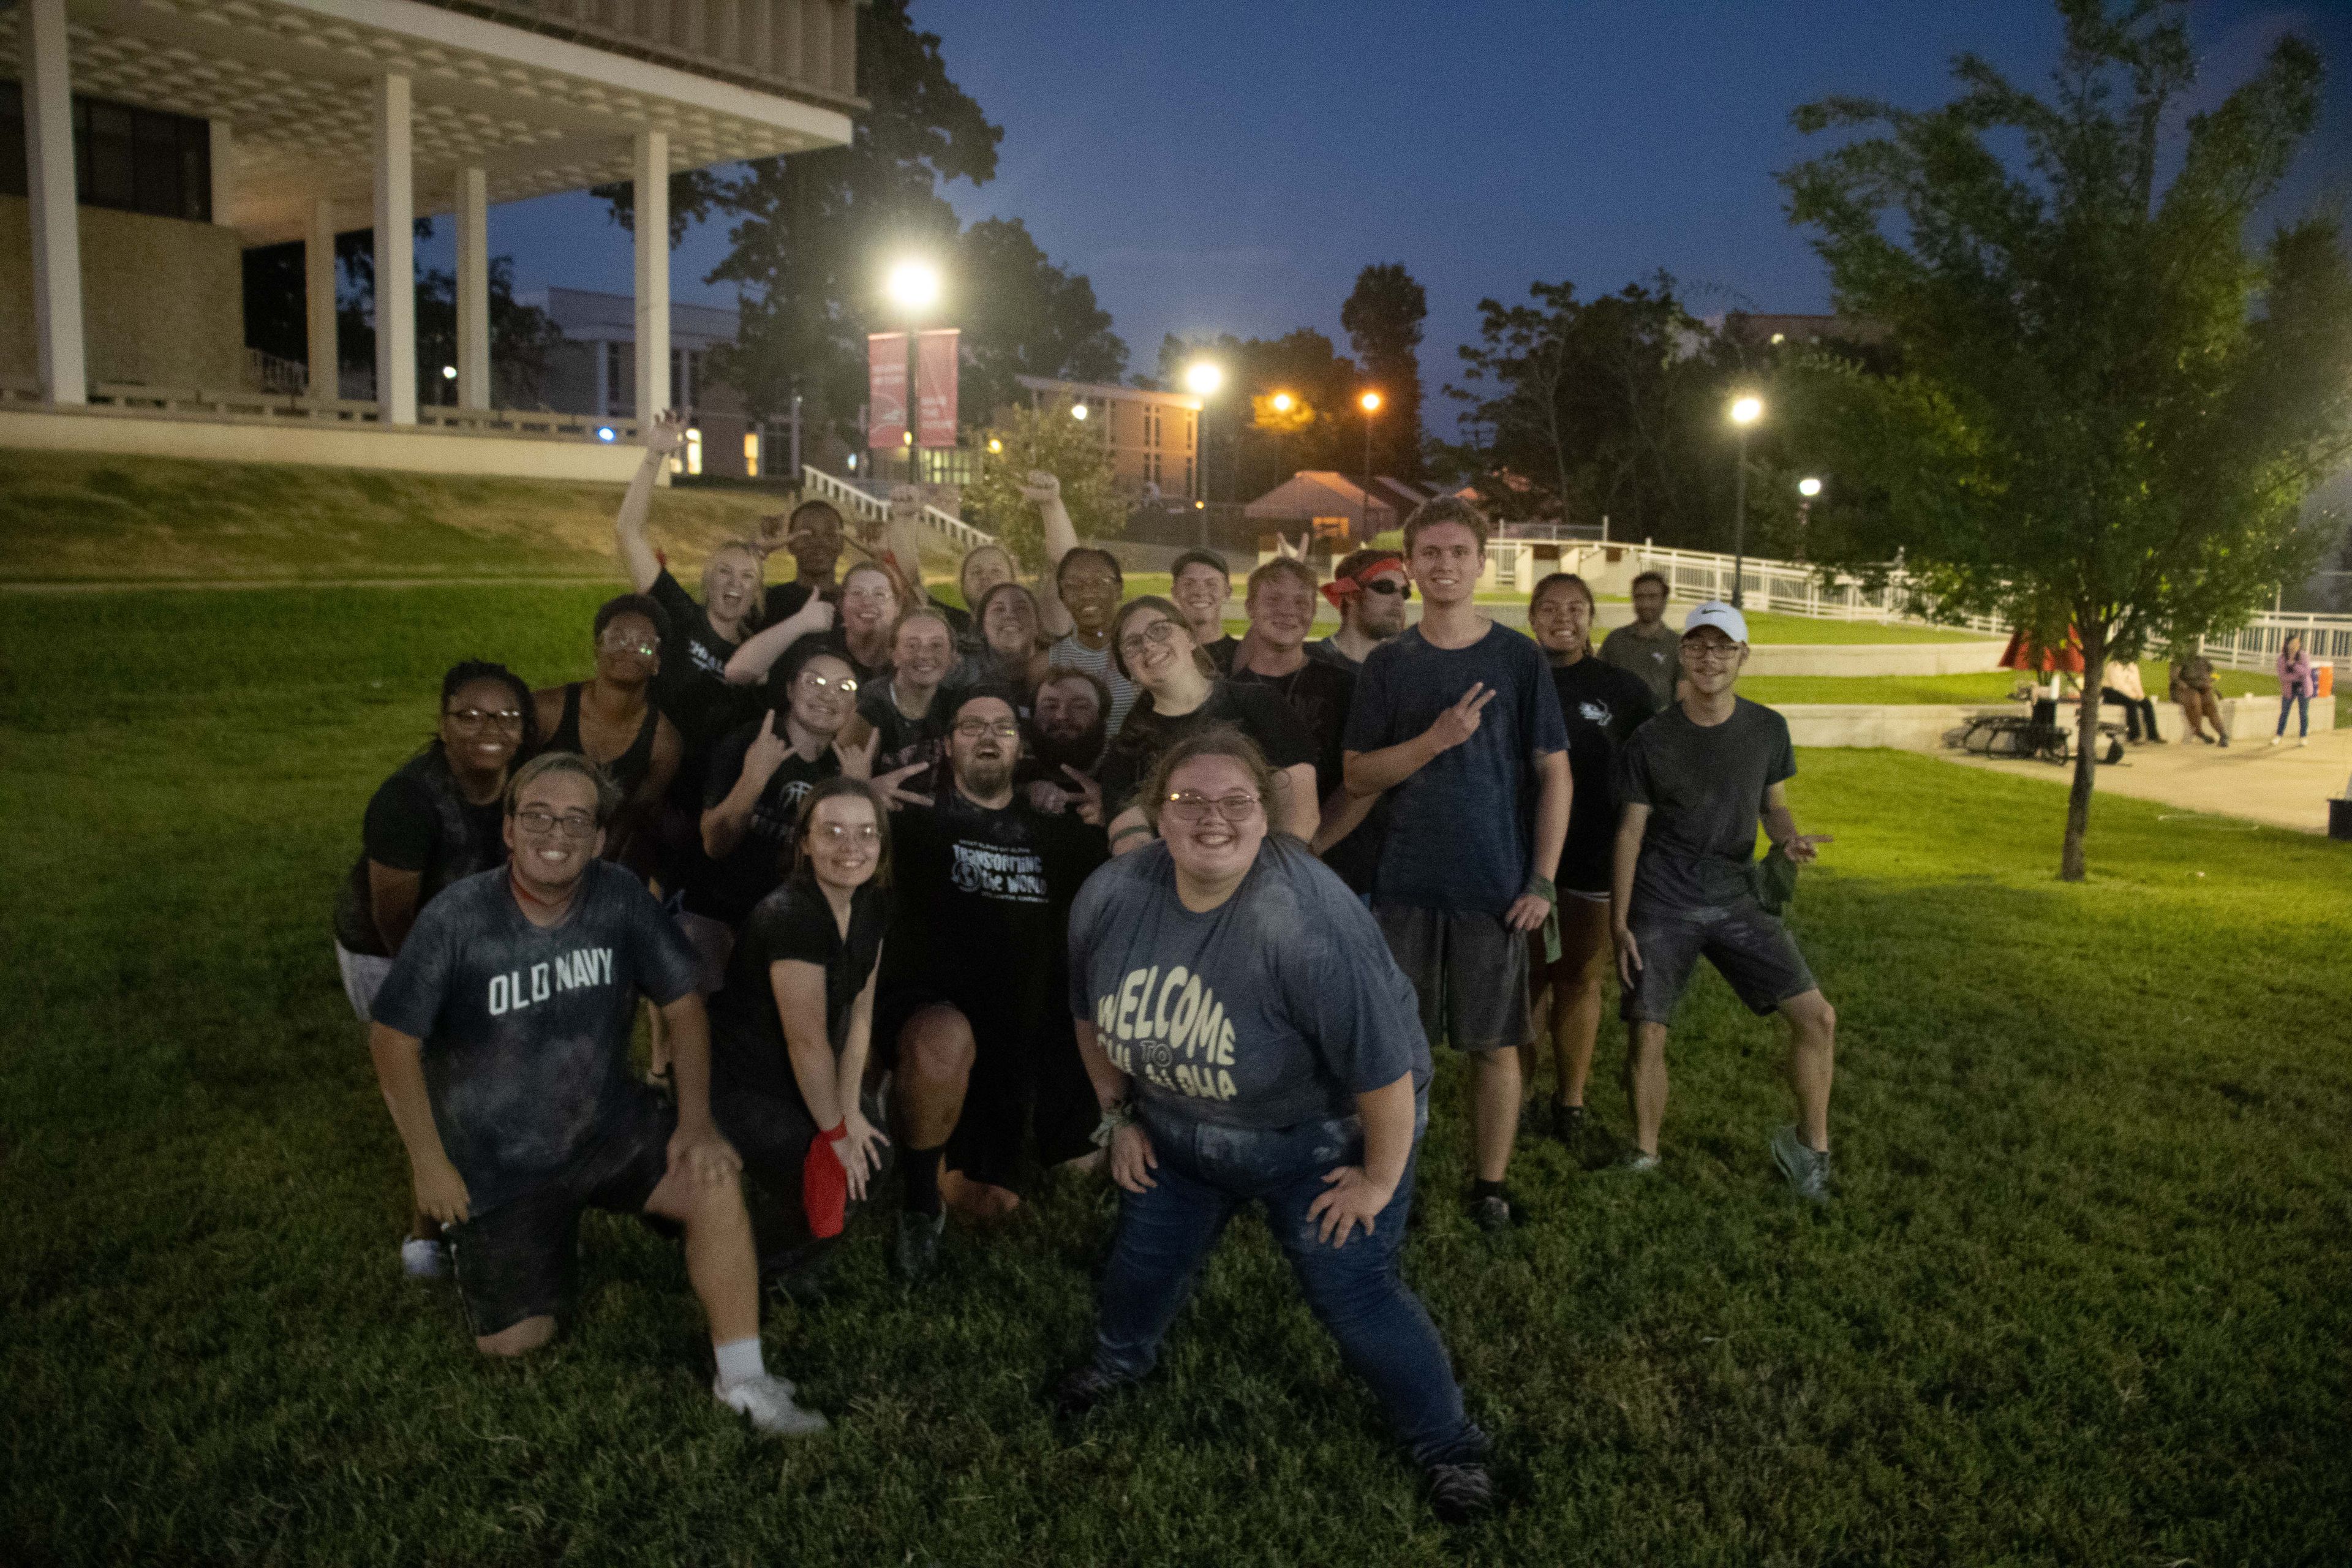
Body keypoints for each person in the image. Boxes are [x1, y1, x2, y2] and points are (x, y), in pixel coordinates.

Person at [1055, 731, 1492, 1523]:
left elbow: (1386, 1074)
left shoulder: (1306, 921)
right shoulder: (1113, 897)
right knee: (1143, 1262)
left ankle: (1450, 1446)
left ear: (1268, 816)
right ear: (1157, 814)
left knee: (1353, 1293)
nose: (1211, 819)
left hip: (1320, 1141)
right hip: (1182, 1131)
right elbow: (1091, 1016)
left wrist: (1379, 1180)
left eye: (1235, 801)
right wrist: (1117, 1118)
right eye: (1189, 801)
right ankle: (1119, 1363)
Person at [364, 752, 824, 1436]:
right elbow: (392, 1039)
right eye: (540, 816)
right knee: (516, 1345)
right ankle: (514, 1239)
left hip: (607, 1126)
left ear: (600, 837)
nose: (558, 833)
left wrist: (696, 1120)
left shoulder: (618, 895)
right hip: (500, 1160)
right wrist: (429, 1162)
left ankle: (745, 1378)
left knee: (714, 1177)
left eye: (577, 820)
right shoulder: (458, 916)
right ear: (511, 830)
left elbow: (684, 1005)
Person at [1343, 496, 1570, 1233]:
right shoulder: (1388, 664)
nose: (1444, 565)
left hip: (1492, 887)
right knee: (1394, 1054)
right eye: (1430, 554)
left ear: (1480, 563)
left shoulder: (1517, 658)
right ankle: (1392, 1180)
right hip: (1401, 885)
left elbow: (1554, 774)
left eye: (1458, 553)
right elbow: (1357, 776)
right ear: (1409, 566)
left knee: (1495, 1044)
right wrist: (1434, 741)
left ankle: (1490, 1184)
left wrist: (1541, 879)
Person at [1609, 600, 1839, 1202]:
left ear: (1744, 656)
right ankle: (1645, 1152)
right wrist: (1619, 921)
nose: (1710, 658)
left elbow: (1773, 803)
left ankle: (1810, 1150)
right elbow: (1629, 833)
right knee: (1647, 1029)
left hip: (1737, 893)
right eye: (1699, 646)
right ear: (1683, 654)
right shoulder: (1651, 739)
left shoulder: (1767, 728)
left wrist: (1787, 836)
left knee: (1818, 1017)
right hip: (1663, 895)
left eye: (1723, 647)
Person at [877, 688, 1109, 1276]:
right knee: (942, 1043)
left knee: (993, 1205)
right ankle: (917, 1204)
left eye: (1003, 728)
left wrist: (1105, 814)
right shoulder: (914, 821)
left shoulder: (1056, 828)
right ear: (948, 745)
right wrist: (864, 800)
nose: (987, 736)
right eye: (972, 726)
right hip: (935, 1008)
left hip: (1019, 1026)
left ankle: (926, 1127)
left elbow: (1129, 876)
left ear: (1019, 748)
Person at [334, 660, 540, 1278]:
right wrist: (445, 996)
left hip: (474, 944)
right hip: (388, 948)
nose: (488, 728)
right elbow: (393, 916)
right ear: (443, 723)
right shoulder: (406, 801)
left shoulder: (524, 785)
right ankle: (426, 1234)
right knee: (434, 1085)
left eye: (505, 716)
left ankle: (480, 1205)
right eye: (469, 715)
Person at [706, 778, 894, 1298]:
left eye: (866, 833)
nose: (851, 847)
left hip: (802, 1075)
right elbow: (806, 1042)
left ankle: (785, 1266)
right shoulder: (790, 917)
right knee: (827, 1162)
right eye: (831, 832)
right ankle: (739, 1266)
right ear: (805, 843)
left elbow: (860, 1014)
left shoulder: (872, 905)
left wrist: (852, 1112)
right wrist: (835, 1134)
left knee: (871, 1154)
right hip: (741, 1082)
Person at [1518, 571, 1657, 1153]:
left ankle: (1569, 1099)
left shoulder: (1624, 691)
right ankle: (1515, 1095)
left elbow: (1648, 781)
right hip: (1517, 858)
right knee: (1523, 982)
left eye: (1575, 608)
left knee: (1577, 977)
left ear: (1591, 617)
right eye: (1549, 608)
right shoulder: (1510, 680)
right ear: (1532, 618)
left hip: (1594, 859)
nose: (1562, 618)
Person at [1096, 595, 1320, 851]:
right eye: (1133, 644)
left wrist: (1257, 881)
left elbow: (1300, 817)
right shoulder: (1127, 749)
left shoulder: (1260, 703)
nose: (1148, 644)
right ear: (1128, 671)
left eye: (1159, 630)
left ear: (1190, 638)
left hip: (1273, 874)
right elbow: (1130, 842)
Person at [688, 652, 861, 984]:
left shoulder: (840, 771)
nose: (828, 694)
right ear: (790, 690)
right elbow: (715, 843)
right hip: (715, 911)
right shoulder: (750, 741)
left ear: (854, 708)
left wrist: (856, 796)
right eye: (815, 681)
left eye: (845, 687)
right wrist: (753, 780)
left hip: (785, 924)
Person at [1228, 556, 1379, 867]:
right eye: (1274, 599)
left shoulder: (1348, 687)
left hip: (1334, 861)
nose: (1288, 611)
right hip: (1247, 860)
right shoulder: (1227, 694)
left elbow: (1366, 782)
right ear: (1249, 607)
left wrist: (1314, 844)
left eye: (1301, 601)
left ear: (1313, 611)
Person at [532, 594, 684, 869]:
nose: (629, 649)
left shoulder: (664, 745)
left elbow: (626, 822)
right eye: (618, 639)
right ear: (597, 649)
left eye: (644, 645)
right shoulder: (547, 711)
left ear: (657, 663)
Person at [1025, 470, 1139, 736]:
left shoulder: (1143, 656)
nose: (1088, 594)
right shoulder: (1044, 666)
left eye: (1099, 583)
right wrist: (1050, 505)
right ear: (1063, 598)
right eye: (1074, 586)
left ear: (1119, 590)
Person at [727, 560, 900, 692]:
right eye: (857, 593)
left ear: (898, 607)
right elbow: (736, 673)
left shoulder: (909, 654)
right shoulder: (815, 648)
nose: (868, 602)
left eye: (880, 595)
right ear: (840, 604)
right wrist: (801, 622)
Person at [837, 606, 958, 785]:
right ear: (893, 656)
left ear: (951, 657)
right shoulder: (868, 709)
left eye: (936, 645)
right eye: (912, 645)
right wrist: (869, 791)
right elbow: (835, 786)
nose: (924, 655)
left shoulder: (957, 705)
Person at [1310, 549, 1412, 671]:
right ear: (1351, 595)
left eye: (1405, 592)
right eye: (1386, 588)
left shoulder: (1406, 669)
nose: (1399, 601)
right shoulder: (1311, 664)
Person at [952, 581, 1053, 702]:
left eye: (1021, 608)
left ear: (1039, 625)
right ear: (982, 627)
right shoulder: (961, 673)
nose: (1010, 615)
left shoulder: (1062, 670)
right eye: (998, 609)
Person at [1600, 570, 1681, 711]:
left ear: (1665, 600)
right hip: (1618, 724)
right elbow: (1598, 683)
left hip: (1659, 726)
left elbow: (1683, 697)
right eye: (1640, 597)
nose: (1645, 604)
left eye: (1653, 597)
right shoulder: (1615, 639)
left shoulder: (1678, 645)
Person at [1025, 666, 1112, 791]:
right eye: (1050, 706)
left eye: (1080, 706)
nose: (1062, 716)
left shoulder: (1127, 770)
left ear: (1102, 715)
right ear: (1033, 715)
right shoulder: (1012, 771)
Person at [1169, 547, 1239, 671]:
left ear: (1227, 592)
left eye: (1211, 584)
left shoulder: (1244, 655)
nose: (1200, 592)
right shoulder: (1165, 656)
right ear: (1175, 592)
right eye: (1189, 584)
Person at [2099, 656, 2162, 745]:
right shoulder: (2113, 665)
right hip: (2111, 692)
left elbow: (2137, 682)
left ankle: (2153, 735)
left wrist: (2140, 696)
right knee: (2131, 704)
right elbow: (2117, 685)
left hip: (2130, 693)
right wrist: (2132, 696)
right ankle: (2134, 737)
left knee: (2147, 704)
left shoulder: (2133, 665)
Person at [2171, 652, 2229, 747]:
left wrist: (2210, 683)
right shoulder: (2180, 661)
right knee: (2195, 700)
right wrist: (2184, 686)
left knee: (2210, 705)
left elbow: (2213, 674)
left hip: (2203, 689)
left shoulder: (2203, 660)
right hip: (2187, 690)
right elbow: (2175, 678)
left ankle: (2223, 734)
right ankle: (2199, 732)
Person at [2274, 633, 2316, 747]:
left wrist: (2293, 666)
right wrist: (2297, 676)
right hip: (2289, 689)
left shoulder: (2303, 656)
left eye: (2298, 643)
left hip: (2303, 688)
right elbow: (2283, 677)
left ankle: (2303, 736)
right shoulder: (2282, 659)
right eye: (2293, 643)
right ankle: (2278, 735)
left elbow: (2307, 672)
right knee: (2284, 712)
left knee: (2303, 713)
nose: (2296, 646)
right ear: (2287, 644)